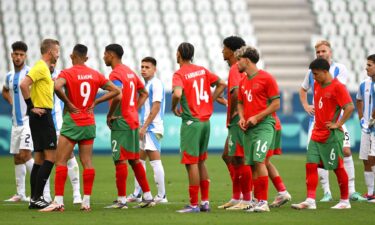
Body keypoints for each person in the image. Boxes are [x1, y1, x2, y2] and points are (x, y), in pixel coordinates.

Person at [40, 44, 120, 212]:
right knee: (87, 162)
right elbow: (116, 90)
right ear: (86, 58)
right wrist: (96, 102)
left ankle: (59, 201)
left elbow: (56, 87)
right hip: (89, 123)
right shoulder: (95, 74)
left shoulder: (67, 73)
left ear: (71, 56)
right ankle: (86, 202)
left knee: (60, 161)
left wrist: (68, 103)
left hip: (72, 122)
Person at [299, 40, 366, 202]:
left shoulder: (339, 69)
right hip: (317, 121)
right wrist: (306, 105)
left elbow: (339, 94)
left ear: (330, 52)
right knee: (315, 158)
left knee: (346, 151)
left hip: (336, 118)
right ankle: (326, 192)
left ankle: (351, 192)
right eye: (318, 52)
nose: (321, 54)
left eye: (323, 51)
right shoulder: (311, 73)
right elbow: (303, 89)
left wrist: (339, 123)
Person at [172, 42, 226, 213]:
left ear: (179, 54)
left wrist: (174, 107)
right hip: (205, 122)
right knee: (201, 161)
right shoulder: (202, 70)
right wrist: (210, 100)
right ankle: (205, 202)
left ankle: (194, 204)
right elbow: (222, 84)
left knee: (191, 163)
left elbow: (178, 93)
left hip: (192, 122)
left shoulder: (179, 73)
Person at [292, 58, 353, 210]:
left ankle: (345, 201)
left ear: (325, 72)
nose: (313, 77)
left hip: (331, 135)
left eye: (316, 74)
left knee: (338, 167)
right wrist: (307, 105)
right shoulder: (318, 84)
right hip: (316, 133)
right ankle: (310, 200)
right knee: (310, 165)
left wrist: (338, 124)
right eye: (312, 74)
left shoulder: (338, 87)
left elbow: (349, 107)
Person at [104, 44, 155, 209]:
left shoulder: (116, 73)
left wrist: (110, 115)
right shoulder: (130, 72)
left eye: (105, 54)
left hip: (121, 121)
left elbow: (117, 95)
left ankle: (121, 200)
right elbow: (144, 93)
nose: (103, 57)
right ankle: (147, 196)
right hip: (133, 120)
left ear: (111, 55)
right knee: (134, 160)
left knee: (120, 160)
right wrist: (133, 109)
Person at [236, 45, 280, 213]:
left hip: (264, 126)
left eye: (239, 60)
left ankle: (263, 202)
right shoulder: (243, 81)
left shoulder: (266, 78)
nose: (237, 64)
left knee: (260, 160)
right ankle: (256, 200)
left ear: (246, 60)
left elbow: (276, 104)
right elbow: (240, 102)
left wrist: (257, 117)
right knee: (253, 164)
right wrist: (241, 117)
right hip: (248, 128)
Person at [20, 39, 60, 209]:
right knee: (51, 156)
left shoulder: (45, 69)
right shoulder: (40, 66)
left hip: (41, 116)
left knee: (39, 159)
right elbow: (24, 84)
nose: (58, 54)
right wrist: (31, 107)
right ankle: (37, 198)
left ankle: (34, 199)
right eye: (57, 51)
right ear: (50, 52)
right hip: (42, 115)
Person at [127, 57, 167, 204]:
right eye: (142, 66)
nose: (143, 69)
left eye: (147, 67)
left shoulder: (155, 84)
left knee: (155, 162)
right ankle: (137, 193)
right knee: (139, 161)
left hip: (152, 128)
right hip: (146, 127)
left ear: (154, 69)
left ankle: (162, 196)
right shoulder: (147, 84)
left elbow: (156, 107)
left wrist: (144, 127)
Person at [217, 36, 251, 210]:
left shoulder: (235, 69)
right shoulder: (238, 68)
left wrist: (232, 113)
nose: (222, 51)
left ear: (231, 50)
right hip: (240, 117)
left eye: (224, 48)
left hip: (238, 119)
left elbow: (237, 92)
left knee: (239, 157)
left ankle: (246, 199)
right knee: (228, 155)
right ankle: (237, 197)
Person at [2, 41, 34, 202]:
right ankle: (20, 194)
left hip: (29, 121)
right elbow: (5, 91)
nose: (18, 57)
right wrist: (12, 103)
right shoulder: (8, 76)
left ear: (25, 56)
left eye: (21, 54)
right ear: (12, 55)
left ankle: (38, 191)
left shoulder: (30, 73)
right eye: (16, 54)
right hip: (16, 123)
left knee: (25, 154)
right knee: (17, 157)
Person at [49, 63, 82, 204]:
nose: (52, 63)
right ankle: (46, 196)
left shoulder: (62, 76)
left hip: (60, 124)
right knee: (46, 158)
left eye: (55, 60)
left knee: (68, 156)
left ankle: (76, 194)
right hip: (43, 124)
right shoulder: (36, 74)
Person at [356, 54, 375, 201]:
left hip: (373, 127)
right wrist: (361, 118)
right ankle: (370, 193)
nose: (366, 68)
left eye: (369, 65)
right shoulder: (364, 84)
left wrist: (372, 119)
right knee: (365, 159)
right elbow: (359, 99)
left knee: (372, 157)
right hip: (366, 127)